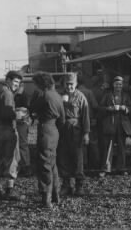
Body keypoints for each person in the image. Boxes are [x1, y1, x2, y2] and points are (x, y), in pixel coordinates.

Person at [31, 72, 65, 208]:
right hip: (54, 130)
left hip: (45, 129)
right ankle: (56, 195)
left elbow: (32, 108)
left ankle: (46, 199)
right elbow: (62, 119)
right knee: (52, 163)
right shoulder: (57, 95)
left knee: (44, 163)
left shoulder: (44, 95)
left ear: (41, 84)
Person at [0, 70, 22, 203]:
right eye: (15, 81)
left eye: (18, 83)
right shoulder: (8, 93)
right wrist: (18, 115)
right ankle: (10, 190)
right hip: (7, 129)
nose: (16, 85)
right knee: (11, 159)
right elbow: (7, 113)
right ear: (8, 80)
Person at [57, 72, 90, 196]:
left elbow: (85, 116)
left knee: (77, 157)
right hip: (63, 129)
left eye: (71, 84)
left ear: (76, 84)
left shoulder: (81, 97)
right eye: (67, 84)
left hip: (76, 129)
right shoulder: (60, 95)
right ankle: (66, 184)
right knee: (63, 156)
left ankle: (79, 185)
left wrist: (86, 133)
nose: (69, 87)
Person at [99, 76, 131, 177]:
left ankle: (122, 168)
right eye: (116, 84)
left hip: (122, 125)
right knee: (108, 147)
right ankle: (105, 169)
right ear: (113, 85)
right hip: (110, 124)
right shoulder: (107, 95)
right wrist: (109, 108)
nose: (118, 86)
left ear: (122, 85)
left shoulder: (126, 96)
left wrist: (125, 108)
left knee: (122, 147)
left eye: (120, 84)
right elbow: (100, 108)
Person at [77, 76, 100, 171]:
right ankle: (95, 164)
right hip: (90, 120)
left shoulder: (75, 93)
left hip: (78, 121)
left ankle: (84, 164)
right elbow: (95, 106)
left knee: (81, 143)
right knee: (93, 142)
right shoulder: (89, 92)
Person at [14, 82, 32, 177]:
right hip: (17, 122)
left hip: (22, 122)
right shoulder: (15, 95)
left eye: (18, 85)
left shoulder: (24, 95)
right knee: (17, 144)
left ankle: (26, 166)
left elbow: (27, 108)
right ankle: (20, 166)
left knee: (22, 144)